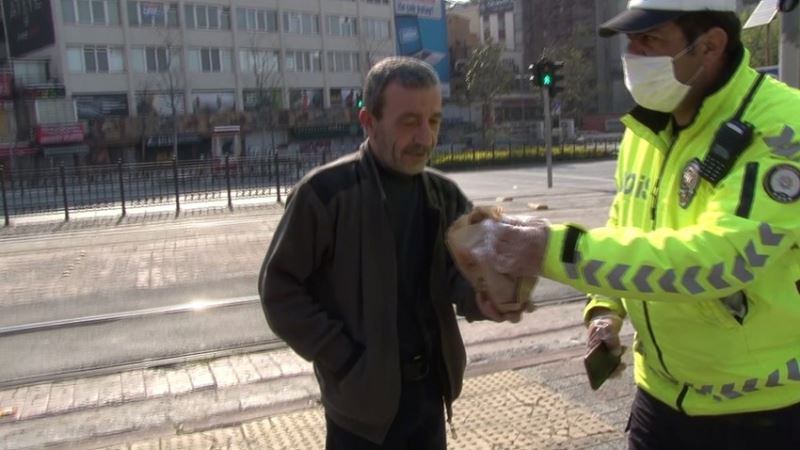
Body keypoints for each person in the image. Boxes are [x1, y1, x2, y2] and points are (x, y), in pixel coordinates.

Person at [480, 1, 800, 448]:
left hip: (759, 412)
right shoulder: (645, 130)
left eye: (650, 39)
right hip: (658, 401)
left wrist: (551, 249)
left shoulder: (781, 126)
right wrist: (604, 311)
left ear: (710, 45)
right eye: (630, 40)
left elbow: (722, 260)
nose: (632, 55)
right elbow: (623, 226)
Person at [258, 57, 524, 449]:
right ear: (368, 121)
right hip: (359, 414)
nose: (425, 137)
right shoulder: (325, 194)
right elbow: (278, 289)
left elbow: (459, 277)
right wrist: (345, 359)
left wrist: (487, 300)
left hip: (430, 400)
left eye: (434, 120)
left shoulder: (444, 195)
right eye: (409, 121)